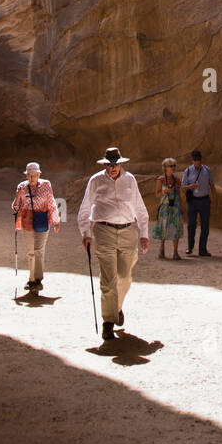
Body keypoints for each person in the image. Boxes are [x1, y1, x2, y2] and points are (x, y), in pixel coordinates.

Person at [77, 145, 149, 340]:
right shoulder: (96, 181)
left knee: (124, 277)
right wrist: (86, 233)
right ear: (105, 165)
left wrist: (144, 233)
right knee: (108, 279)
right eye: (109, 164)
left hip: (128, 231)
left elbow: (140, 207)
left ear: (120, 164)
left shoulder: (130, 180)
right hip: (104, 231)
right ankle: (108, 322)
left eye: (116, 164)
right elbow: (85, 209)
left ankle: (116, 308)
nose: (113, 168)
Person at [12, 161, 60, 291]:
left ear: (39, 174)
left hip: (41, 220)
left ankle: (37, 279)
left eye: (34, 175)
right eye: (29, 175)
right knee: (30, 252)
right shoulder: (22, 186)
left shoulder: (46, 185)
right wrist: (17, 197)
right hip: (27, 221)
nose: (31, 178)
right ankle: (31, 279)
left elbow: (51, 202)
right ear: (26, 176)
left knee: (39, 250)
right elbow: (16, 208)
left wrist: (56, 220)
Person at [181, 149, 217, 256]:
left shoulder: (207, 170)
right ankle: (190, 247)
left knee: (205, 226)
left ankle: (202, 249)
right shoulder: (187, 171)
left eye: (199, 160)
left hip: (205, 200)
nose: (197, 162)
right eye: (195, 160)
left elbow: (211, 185)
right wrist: (191, 186)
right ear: (192, 160)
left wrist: (215, 199)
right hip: (193, 201)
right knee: (191, 225)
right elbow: (183, 188)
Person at [151, 158, 185, 259]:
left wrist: (181, 206)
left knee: (176, 227)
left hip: (175, 206)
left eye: (174, 166)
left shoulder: (177, 180)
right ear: (165, 168)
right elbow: (157, 195)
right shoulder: (160, 179)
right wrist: (164, 192)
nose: (173, 168)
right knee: (163, 227)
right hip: (165, 206)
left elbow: (179, 194)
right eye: (171, 166)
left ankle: (175, 252)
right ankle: (161, 250)